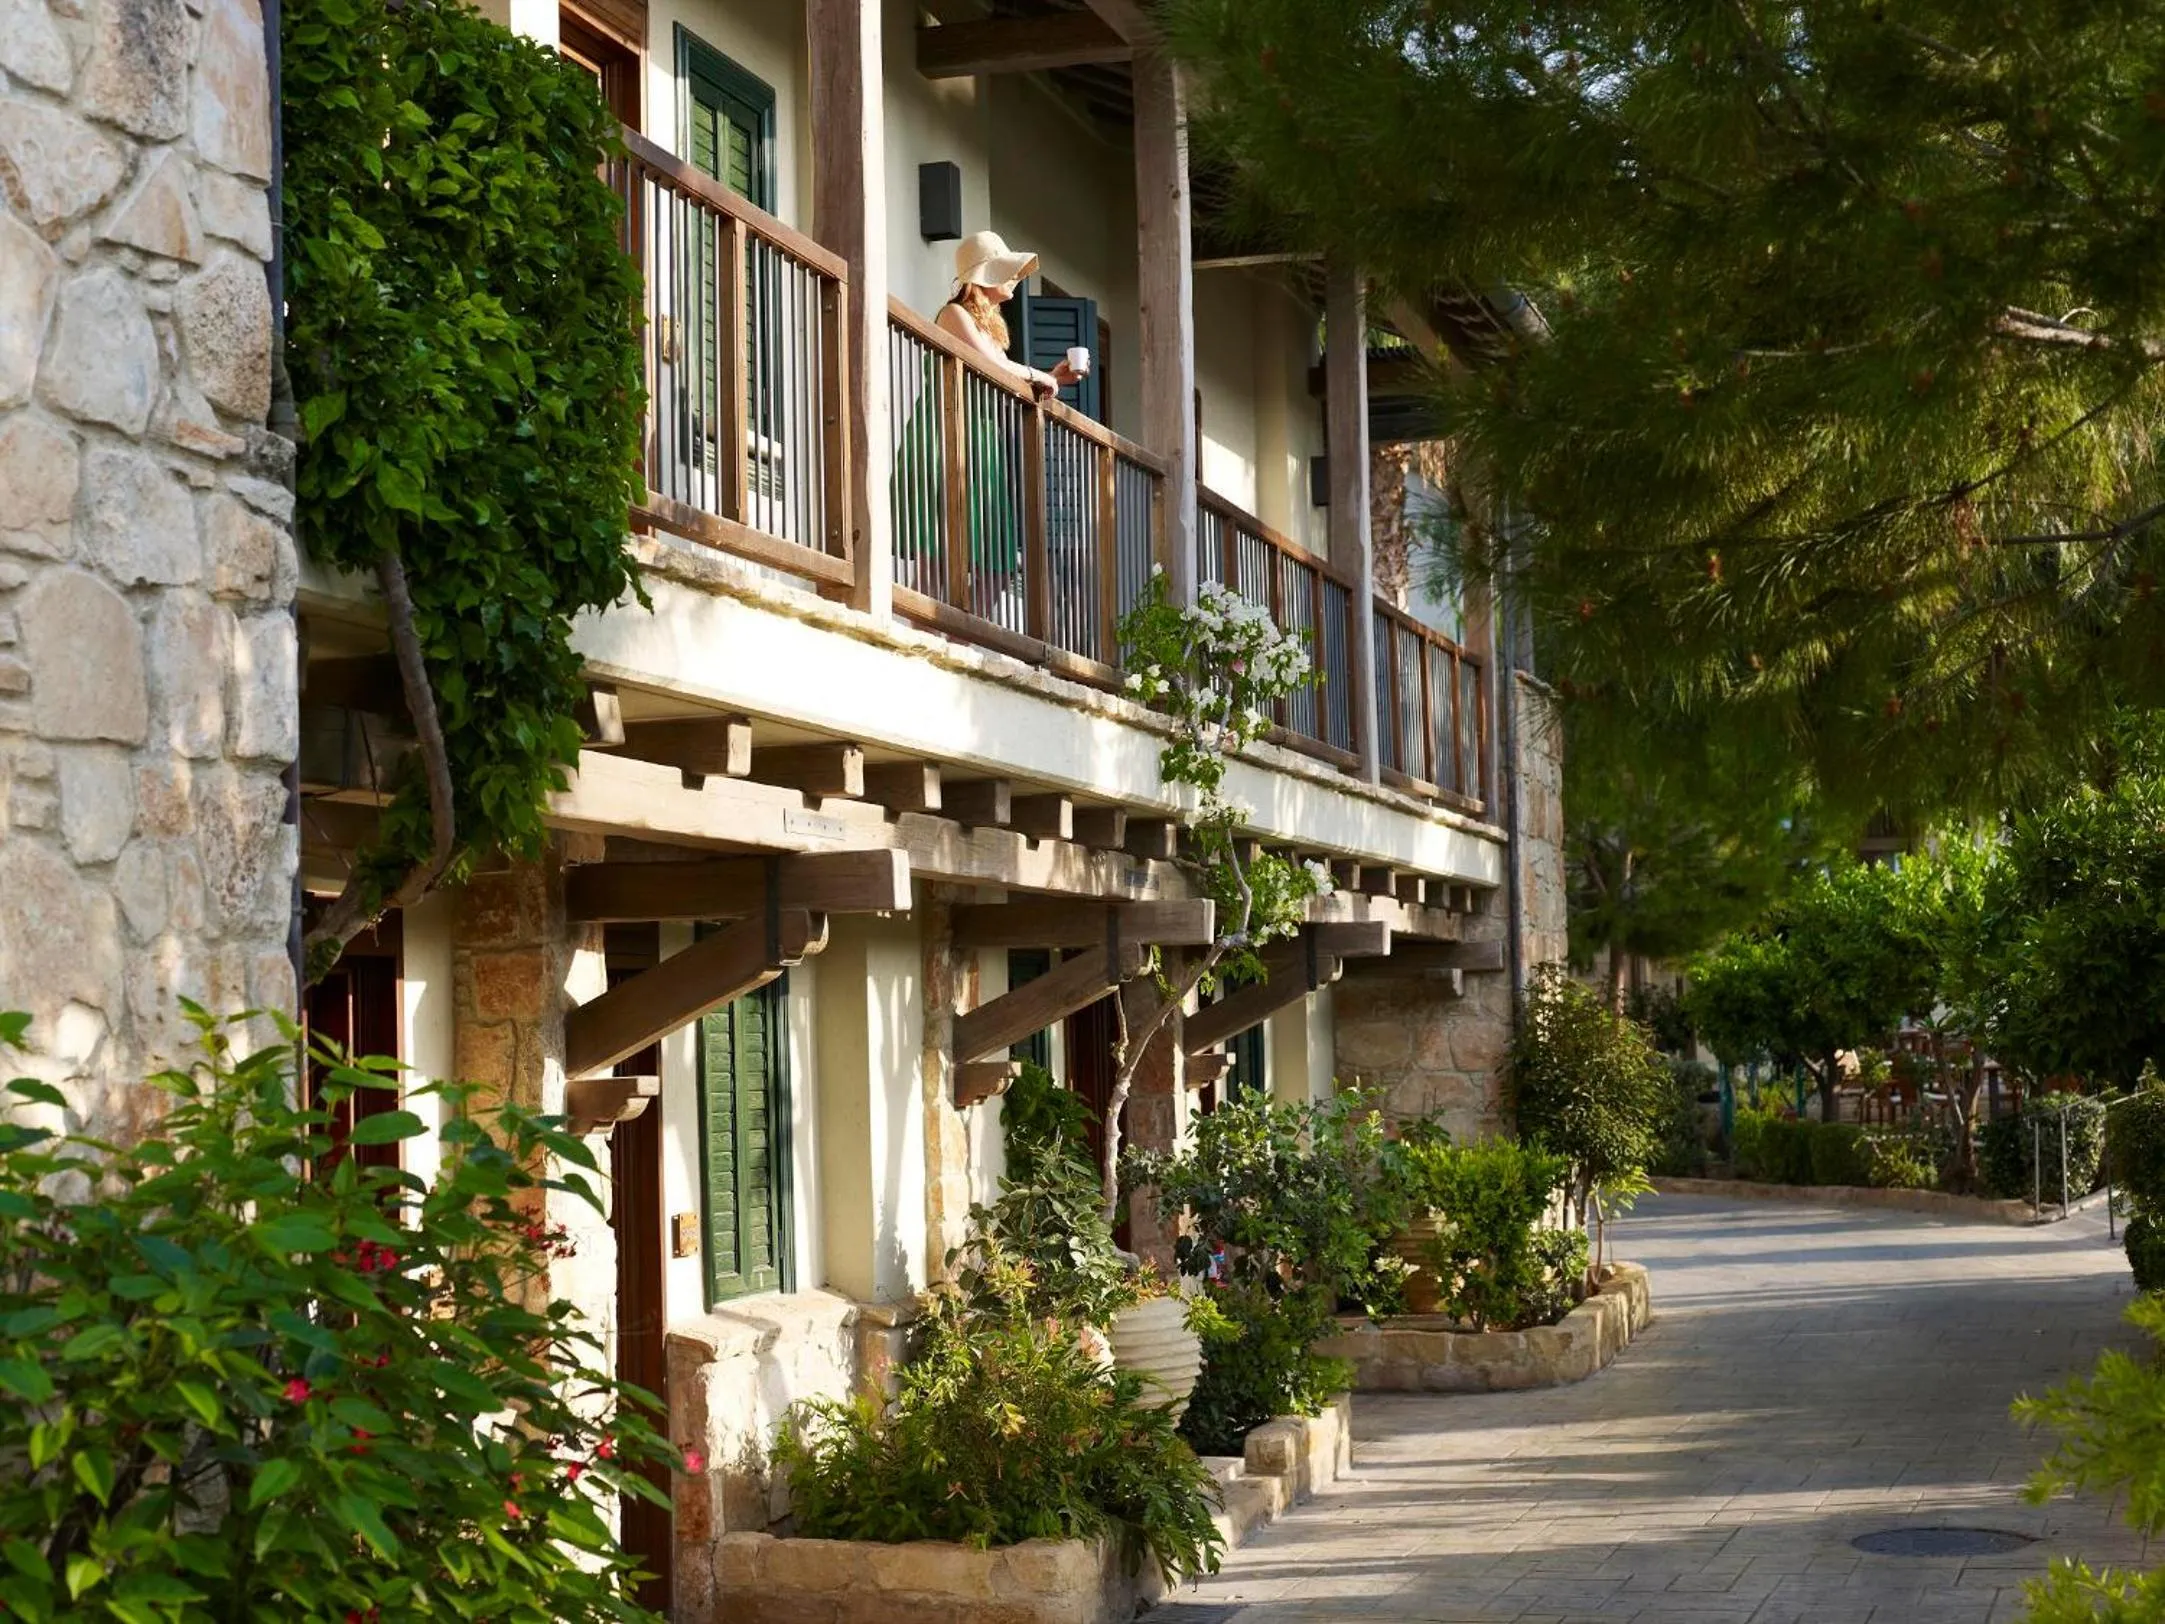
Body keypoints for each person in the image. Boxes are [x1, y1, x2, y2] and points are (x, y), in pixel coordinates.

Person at [935, 230, 1086, 400]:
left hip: (976, 420)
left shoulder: (987, 328)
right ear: (984, 275)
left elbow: (1004, 377)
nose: (1014, 276)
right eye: (1005, 269)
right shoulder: (954, 313)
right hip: (944, 418)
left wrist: (1053, 377)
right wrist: (1036, 374)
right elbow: (990, 365)